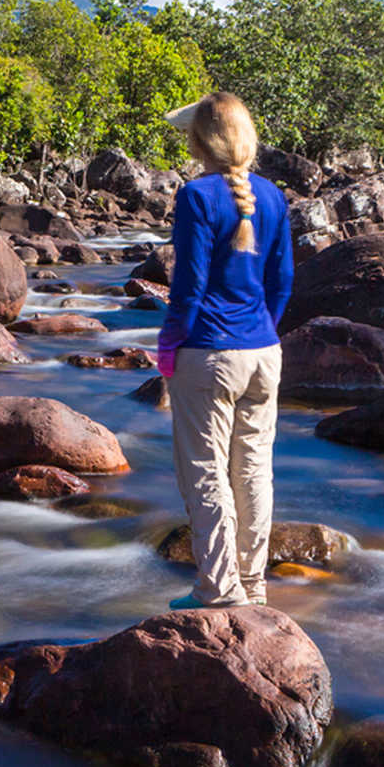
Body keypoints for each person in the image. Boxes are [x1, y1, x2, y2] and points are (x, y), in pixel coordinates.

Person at [156, 92, 293, 610]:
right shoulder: (272, 197)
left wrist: (168, 347)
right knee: (254, 471)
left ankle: (218, 589)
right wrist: (259, 332)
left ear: (200, 140)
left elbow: (187, 288)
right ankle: (253, 586)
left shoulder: (196, 196)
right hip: (264, 352)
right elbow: (281, 283)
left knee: (206, 471)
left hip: (207, 353)